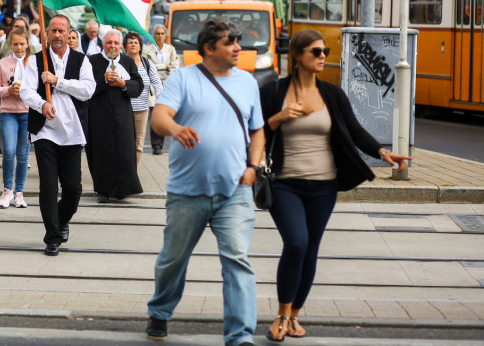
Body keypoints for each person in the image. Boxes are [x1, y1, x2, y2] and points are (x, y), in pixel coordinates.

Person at [260, 29, 411, 341]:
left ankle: (295, 315)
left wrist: (383, 153)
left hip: (323, 187)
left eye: (325, 51)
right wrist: (280, 117)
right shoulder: (274, 91)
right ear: (298, 55)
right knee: (296, 243)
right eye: (316, 52)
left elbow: (354, 131)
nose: (323, 57)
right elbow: (257, 129)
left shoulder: (332, 94)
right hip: (286, 184)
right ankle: (282, 314)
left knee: (310, 250)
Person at [146, 17, 264, 345]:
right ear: (209, 49)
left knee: (237, 260)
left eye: (237, 40)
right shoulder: (183, 78)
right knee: (173, 259)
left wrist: (253, 167)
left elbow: (257, 130)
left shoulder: (247, 82)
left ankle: (240, 336)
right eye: (230, 41)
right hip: (188, 191)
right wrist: (176, 129)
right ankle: (160, 311)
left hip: (235, 190)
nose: (238, 47)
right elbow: (159, 118)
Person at [19, 14, 95, 256]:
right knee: (49, 186)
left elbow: (88, 90)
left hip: (72, 131)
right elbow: (25, 90)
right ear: (47, 34)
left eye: (62, 31)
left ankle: (61, 220)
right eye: (53, 30)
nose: (57, 35)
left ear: (70, 33)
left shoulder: (81, 60)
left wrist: (58, 81)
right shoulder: (36, 60)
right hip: (45, 131)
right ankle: (52, 237)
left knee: (73, 189)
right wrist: (42, 104)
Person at [86, 29, 144, 203]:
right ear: (103, 44)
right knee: (101, 151)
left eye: (116, 43)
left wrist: (123, 83)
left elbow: (138, 85)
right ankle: (103, 190)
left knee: (124, 150)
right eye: (109, 42)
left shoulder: (127, 61)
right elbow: (86, 86)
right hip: (99, 113)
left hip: (122, 113)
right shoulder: (92, 61)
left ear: (121, 46)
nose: (112, 46)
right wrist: (104, 78)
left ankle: (122, 189)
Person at [0, 27, 33, 209]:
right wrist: (9, 90)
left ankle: (19, 192)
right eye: (15, 44)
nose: (19, 47)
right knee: (9, 151)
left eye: (22, 44)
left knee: (23, 154)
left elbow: (39, 87)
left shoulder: (33, 62)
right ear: (10, 44)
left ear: (27, 43)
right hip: (8, 112)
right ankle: (7, 190)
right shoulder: (2, 63)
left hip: (27, 112)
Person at [124, 31, 163, 165]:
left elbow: (157, 83)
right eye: (130, 42)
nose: (133, 45)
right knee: (125, 141)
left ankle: (133, 172)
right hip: (124, 109)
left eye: (136, 42)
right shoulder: (120, 62)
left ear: (140, 46)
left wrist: (160, 100)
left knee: (138, 143)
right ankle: (124, 170)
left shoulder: (147, 63)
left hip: (142, 110)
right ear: (125, 46)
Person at [142, 24, 180, 154]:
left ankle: (162, 144)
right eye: (157, 33)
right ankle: (156, 145)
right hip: (152, 84)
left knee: (166, 113)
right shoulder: (147, 50)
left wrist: (165, 68)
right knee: (154, 113)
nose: (160, 36)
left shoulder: (170, 49)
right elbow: (148, 66)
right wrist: (164, 67)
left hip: (167, 84)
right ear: (153, 35)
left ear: (165, 35)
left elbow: (175, 66)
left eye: (162, 34)